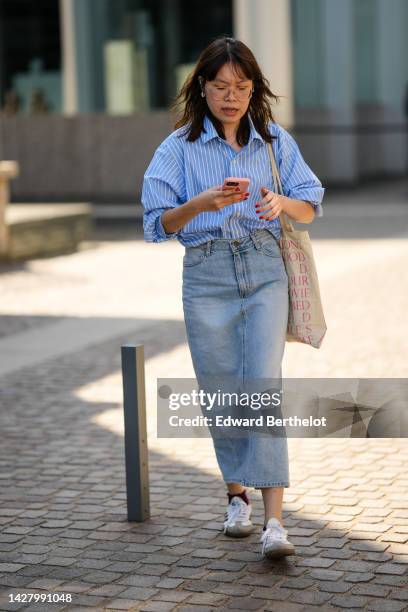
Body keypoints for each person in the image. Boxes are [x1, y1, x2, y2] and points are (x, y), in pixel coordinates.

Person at [141, 36, 325, 559]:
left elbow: (310, 204)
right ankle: (236, 497)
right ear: (202, 87)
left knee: (261, 388)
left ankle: (275, 523)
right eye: (220, 86)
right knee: (222, 390)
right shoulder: (177, 148)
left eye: (241, 87)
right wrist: (200, 202)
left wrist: (278, 201)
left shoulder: (272, 141)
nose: (231, 96)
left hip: (266, 269)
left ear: (254, 91)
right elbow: (156, 223)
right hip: (207, 272)